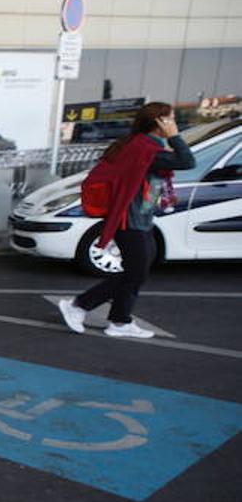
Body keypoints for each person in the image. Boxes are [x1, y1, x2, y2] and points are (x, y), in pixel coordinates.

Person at [59, 102, 194, 339]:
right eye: (171, 120)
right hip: (129, 222)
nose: (174, 124)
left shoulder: (145, 146)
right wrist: (175, 137)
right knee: (135, 274)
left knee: (138, 271)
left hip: (140, 220)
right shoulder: (146, 150)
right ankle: (78, 306)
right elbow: (187, 161)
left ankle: (119, 322)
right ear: (160, 122)